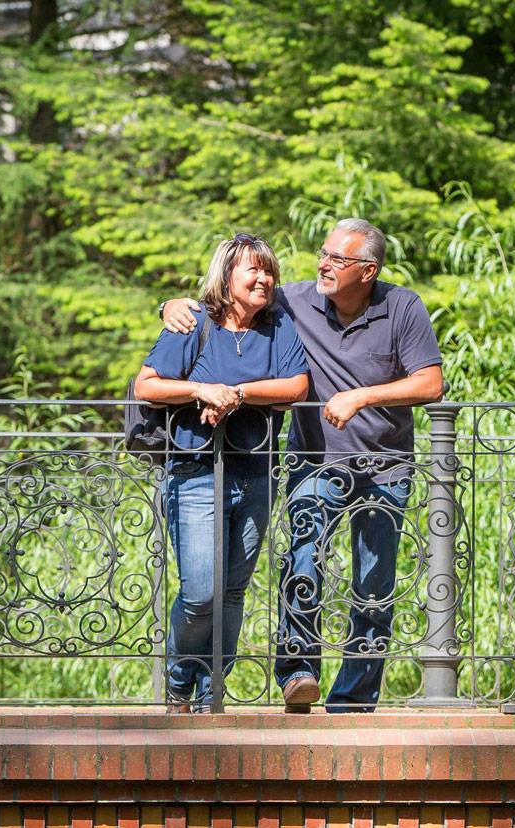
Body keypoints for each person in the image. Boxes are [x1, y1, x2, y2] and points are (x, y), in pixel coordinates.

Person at [160, 218, 444, 712]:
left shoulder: (403, 307)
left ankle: (353, 700)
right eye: (323, 253)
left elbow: (430, 384)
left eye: (337, 258)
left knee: (372, 586)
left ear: (368, 270)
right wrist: (168, 305)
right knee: (302, 564)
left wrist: (362, 396)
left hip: (386, 468)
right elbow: (231, 297)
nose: (324, 264)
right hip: (315, 464)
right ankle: (298, 672)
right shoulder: (295, 301)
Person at [137, 233, 309, 713]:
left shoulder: (279, 326)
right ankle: (178, 682)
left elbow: (296, 385)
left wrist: (236, 392)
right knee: (201, 592)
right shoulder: (192, 323)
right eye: (253, 270)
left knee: (232, 593)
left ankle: (213, 690)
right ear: (226, 275)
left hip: (256, 474)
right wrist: (202, 390)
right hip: (194, 473)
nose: (263, 279)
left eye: (269, 271)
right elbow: (146, 385)